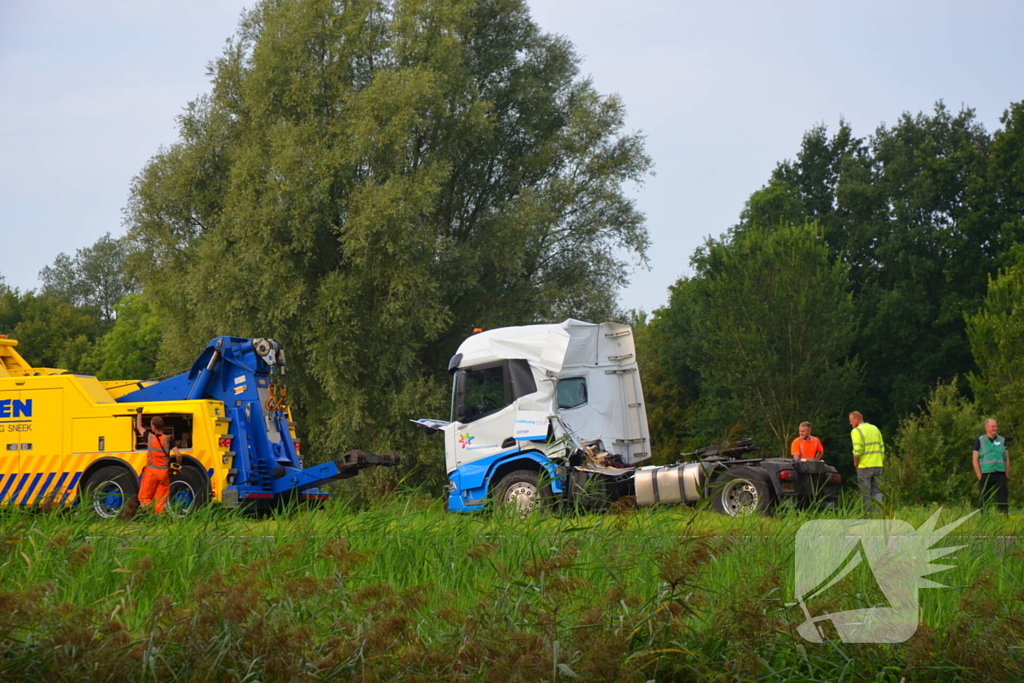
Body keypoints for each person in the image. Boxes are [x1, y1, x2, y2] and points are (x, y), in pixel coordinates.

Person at [134, 408, 183, 515]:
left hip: (151, 473)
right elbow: (178, 454)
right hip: (164, 474)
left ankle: (148, 511)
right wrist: (178, 465)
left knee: (144, 497)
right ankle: (159, 518)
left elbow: (139, 427)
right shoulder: (168, 439)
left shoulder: (149, 437)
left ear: (153, 426)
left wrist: (139, 413)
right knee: (161, 500)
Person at [850, 411, 885, 515]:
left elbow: (857, 451)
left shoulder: (856, 431)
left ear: (856, 419)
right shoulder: (875, 429)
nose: (850, 423)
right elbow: (882, 448)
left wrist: (856, 463)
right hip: (878, 464)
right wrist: (880, 460)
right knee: (877, 492)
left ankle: (867, 516)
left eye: (851, 421)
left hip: (864, 466)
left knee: (865, 493)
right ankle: (880, 515)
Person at [973, 418, 1009, 515]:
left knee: (1003, 498)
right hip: (986, 474)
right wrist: (979, 475)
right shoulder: (980, 441)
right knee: (984, 498)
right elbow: (975, 459)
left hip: (1000, 473)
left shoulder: (1002, 440)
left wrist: (1006, 473)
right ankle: (984, 517)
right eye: (992, 426)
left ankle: (1004, 516)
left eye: (996, 426)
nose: (995, 428)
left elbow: (1006, 459)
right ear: (986, 428)